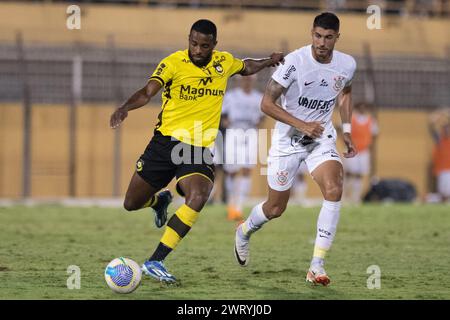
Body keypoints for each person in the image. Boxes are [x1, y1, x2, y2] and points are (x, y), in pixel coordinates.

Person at [109, 19, 284, 284]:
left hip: (198, 147)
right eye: (194, 43)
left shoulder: (223, 62)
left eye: (205, 45)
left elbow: (245, 66)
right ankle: (160, 201)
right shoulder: (173, 63)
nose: (198, 50)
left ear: (214, 44)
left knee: (199, 195)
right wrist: (124, 107)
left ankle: (156, 260)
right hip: (164, 144)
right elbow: (147, 92)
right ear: (188, 40)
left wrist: (268, 61)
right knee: (131, 203)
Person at [234, 12, 357, 286]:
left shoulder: (347, 64)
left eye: (328, 37)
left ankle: (317, 265)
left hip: (321, 137)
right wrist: (302, 124)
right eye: (317, 35)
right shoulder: (293, 62)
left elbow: (346, 92)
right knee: (275, 208)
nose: (322, 42)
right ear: (311, 33)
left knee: (335, 189)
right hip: (287, 141)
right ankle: (243, 231)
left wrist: (346, 131)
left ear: (337, 37)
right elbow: (266, 104)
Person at [221, 75, 264, 221]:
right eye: (245, 79)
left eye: (250, 79)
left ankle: (239, 206)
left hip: (250, 132)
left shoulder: (258, 97)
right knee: (231, 171)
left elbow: (262, 115)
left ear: (254, 80)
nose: (247, 81)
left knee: (246, 169)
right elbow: (223, 114)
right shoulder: (231, 96)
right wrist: (227, 123)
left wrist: (258, 124)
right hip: (234, 132)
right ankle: (231, 205)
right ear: (240, 80)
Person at [343, 102, 379, 204]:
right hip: (352, 149)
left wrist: (370, 149)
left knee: (359, 174)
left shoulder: (371, 121)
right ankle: (345, 195)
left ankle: (356, 197)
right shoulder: (351, 119)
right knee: (349, 173)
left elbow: (374, 135)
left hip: (363, 151)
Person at [429, 109, 450, 202]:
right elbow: (431, 126)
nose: (447, 130)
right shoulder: (440, 140)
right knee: (443, 193)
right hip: (442, 170)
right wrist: (439, 115)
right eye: (445, 128)